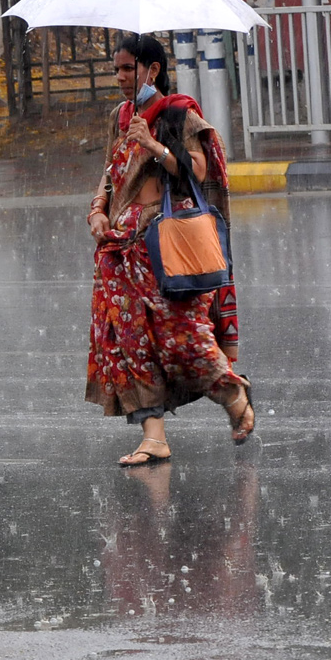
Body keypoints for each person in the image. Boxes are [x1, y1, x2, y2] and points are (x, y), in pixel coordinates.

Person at [85, 33, 254, 467]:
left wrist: (154, 146)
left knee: (181, 337)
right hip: (121, 247)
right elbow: (110, 173)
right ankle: (153, 436)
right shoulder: (120, 116)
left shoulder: (178, 112)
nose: (121, 77)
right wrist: (98, 212)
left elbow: (197, 171)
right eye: (117, 68)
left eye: (128, 68)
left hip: (164, 244)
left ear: (152, 70)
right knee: (131, 343)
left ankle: (231, 391)